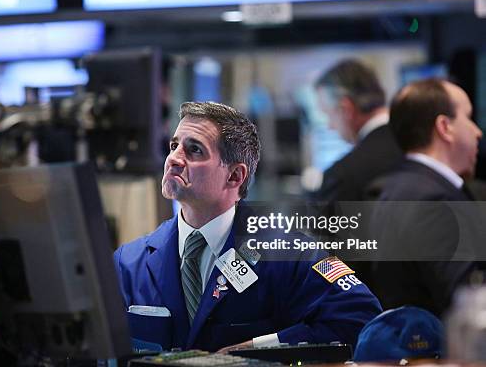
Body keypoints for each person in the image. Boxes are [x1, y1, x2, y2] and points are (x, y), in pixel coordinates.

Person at [114, 101, 381, 352]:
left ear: (234, 176)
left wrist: (259, 349)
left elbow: (361, 316)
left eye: (194, 150)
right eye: (174, 145)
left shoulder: (288, 253)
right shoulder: (129, 262)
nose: (174, 158)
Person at [370, 78, 483, 317]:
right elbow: (465, 303)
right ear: (445, 127)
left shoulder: (402, 188)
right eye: (468, 117)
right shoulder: (432, 200)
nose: (477, 132)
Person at [315, 59, 403, 202]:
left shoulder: (343, 176)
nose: (330, 126)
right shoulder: (421, 144)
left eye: (328, 115)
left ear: (346, 108)